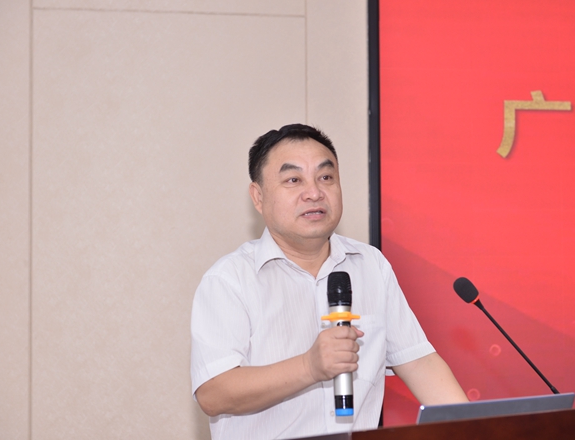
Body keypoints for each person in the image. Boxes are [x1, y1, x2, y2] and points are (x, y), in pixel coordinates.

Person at [190, 124, 467, 439]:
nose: (314, 192)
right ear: (258, 196)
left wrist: (481, 430)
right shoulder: (230, 280)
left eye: (325, 177)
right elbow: (213, 393)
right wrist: (309, 367)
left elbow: (419, 363)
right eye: (293, 180)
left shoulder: (371, 265)